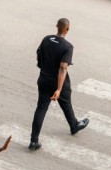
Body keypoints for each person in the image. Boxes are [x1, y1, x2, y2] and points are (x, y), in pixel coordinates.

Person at [29, 18, 89, 151]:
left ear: (56, 26)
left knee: (41, 109)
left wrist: (42, 66)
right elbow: (63, 67)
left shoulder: (46, 39)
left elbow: (38, 54)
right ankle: (74, 126)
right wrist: (58, 89)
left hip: (43, 80)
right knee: (66, 103)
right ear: (67, 29)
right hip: (58, 82)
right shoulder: (67, 46)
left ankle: (34, 141)